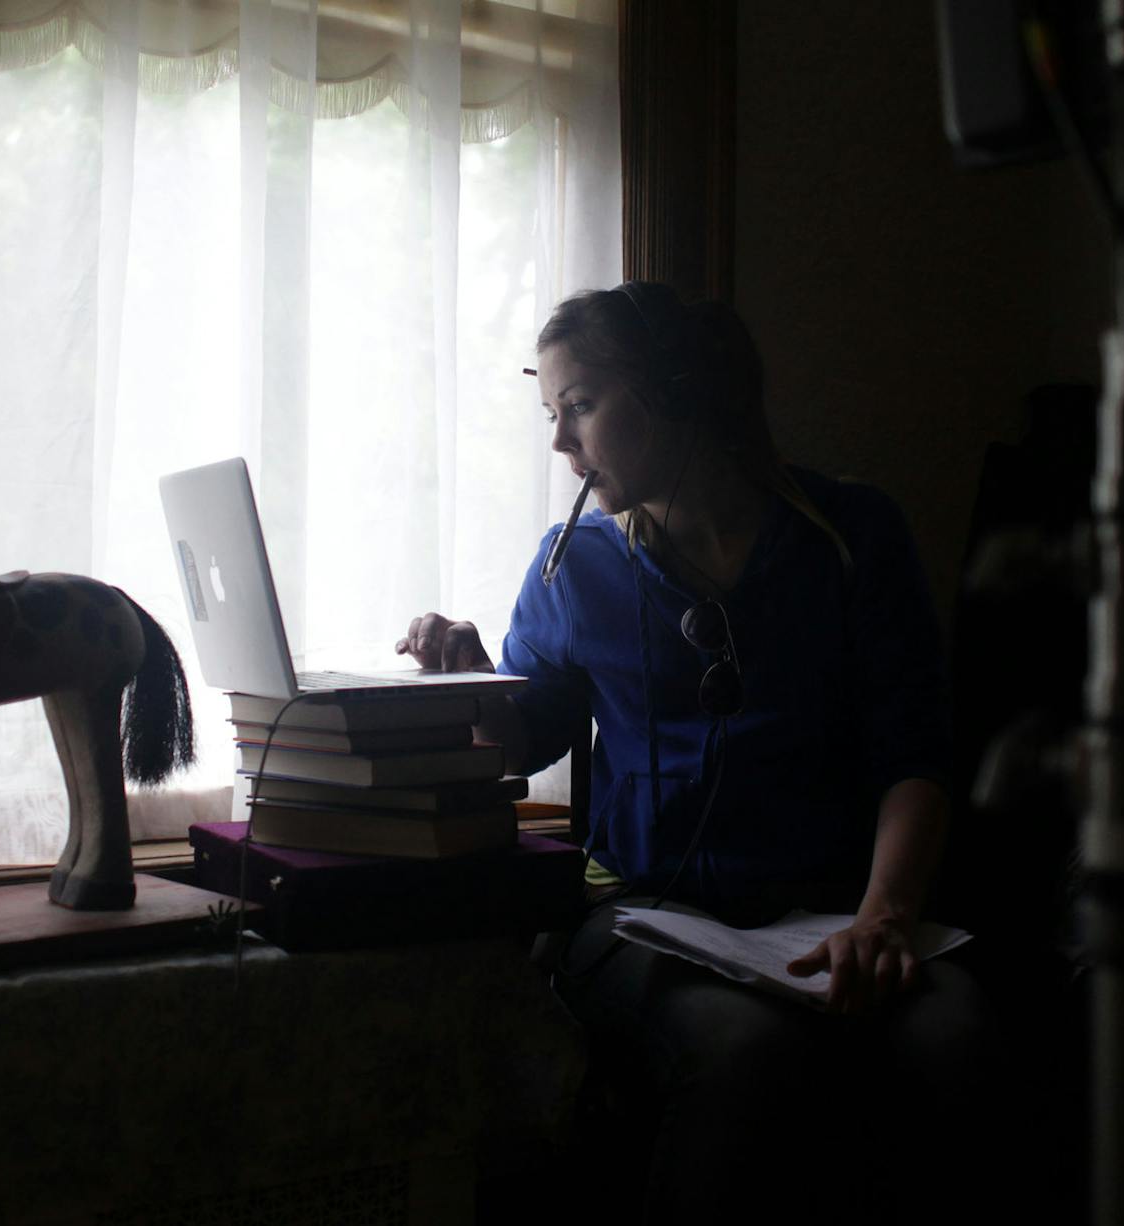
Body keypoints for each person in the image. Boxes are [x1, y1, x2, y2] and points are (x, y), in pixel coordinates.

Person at [396, 282, 999, 1219]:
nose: (560, 442)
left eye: (581, 407)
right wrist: (470, 682)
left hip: (837, 909)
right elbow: (520, 736)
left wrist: (882, 918)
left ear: (677, 389)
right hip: (641, 917)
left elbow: (913, 753)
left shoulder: (849, 538)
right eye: (552, 414)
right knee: (744, 1053)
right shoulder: (575, 566)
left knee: (956, 1036)